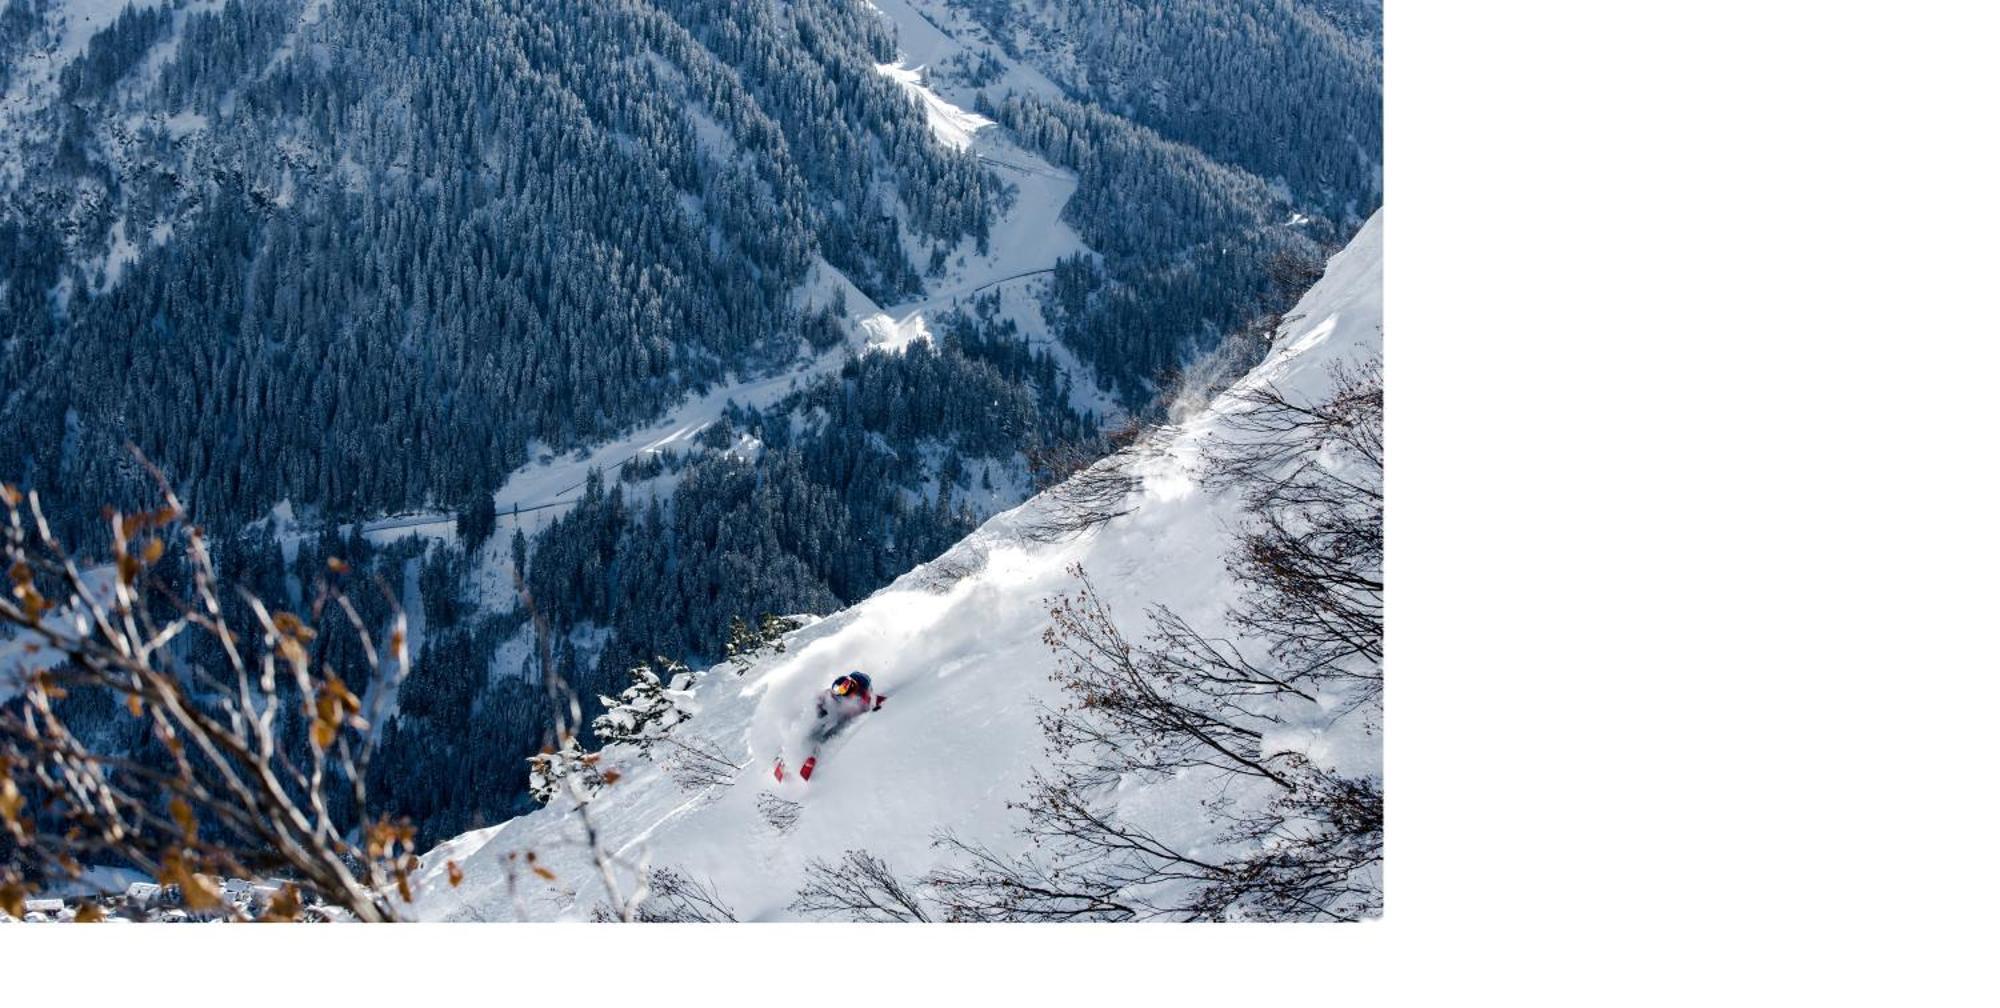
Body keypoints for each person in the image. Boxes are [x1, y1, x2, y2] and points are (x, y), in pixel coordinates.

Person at [774, 671, 886, 782]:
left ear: (851, 686)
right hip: (832, 714)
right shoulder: (837, 693)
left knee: (828, 733)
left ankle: (813, 755)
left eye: (843, 690)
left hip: (843, 718)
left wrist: (876, 705)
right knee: (811, 730)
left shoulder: (861, 692)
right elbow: (823, 697)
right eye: (838, 691)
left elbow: (872, 700)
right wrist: (818, 707)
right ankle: (782, 757)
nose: (840, 693)